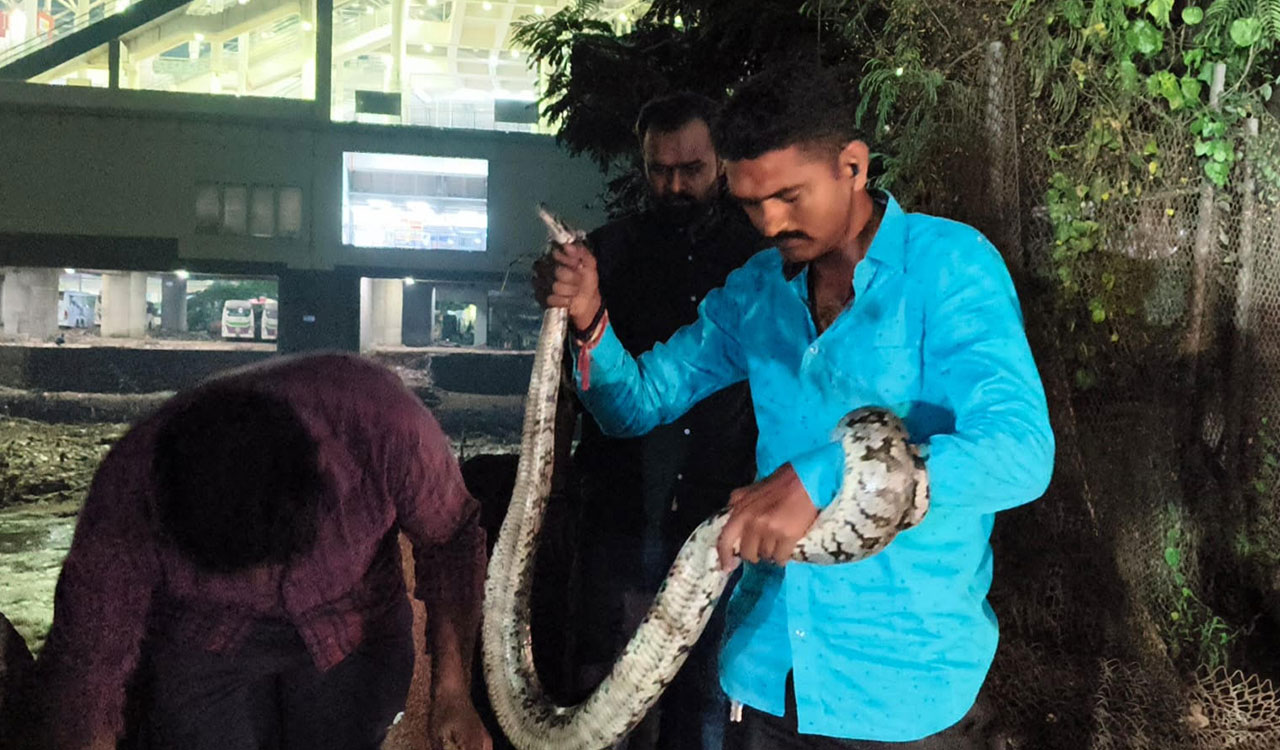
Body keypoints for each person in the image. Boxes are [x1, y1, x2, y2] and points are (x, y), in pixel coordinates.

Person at [541, 62, 1055, 749]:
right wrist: (586, 315)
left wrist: (827, 475)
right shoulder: (756, 291)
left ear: (852, 166)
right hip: (767, 674)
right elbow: (636, 405)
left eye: (789, 195)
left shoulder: (950, 268)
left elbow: (1021, 454)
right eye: (751, 202)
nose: (770, 222)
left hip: (903, 690)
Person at [15, 353, 492, 750]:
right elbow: (90, 674)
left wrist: (453, 690)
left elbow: (451, 541)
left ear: (318, 481)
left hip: (354, 622)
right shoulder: (130, 489)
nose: (267, 582)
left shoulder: (385, 427)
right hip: (206, 636)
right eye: (243, 568)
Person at [530, 91, 762, 750]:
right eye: (661, 169)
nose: (676, 184)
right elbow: (570, 377)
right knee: (603, 700)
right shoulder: (609, 249)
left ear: (721, 163)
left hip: (723, 515)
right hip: (619, 505)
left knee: (707, 705)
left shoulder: (761, 264)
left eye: (691, 168)